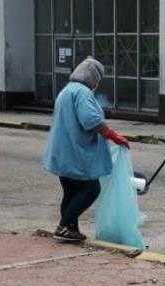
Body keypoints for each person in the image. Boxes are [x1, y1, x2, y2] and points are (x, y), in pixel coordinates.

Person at [43, 57, 129, 242]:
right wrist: (113, 135)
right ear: (92, 77)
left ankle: (71, 228)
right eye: (97, 80)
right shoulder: (82, 92)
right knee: (91, 189)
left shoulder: (67, 90)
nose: (97, 84)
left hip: (63, 153)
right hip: (76, 153)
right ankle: (64, 226)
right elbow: (91, 120)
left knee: (71, 191)